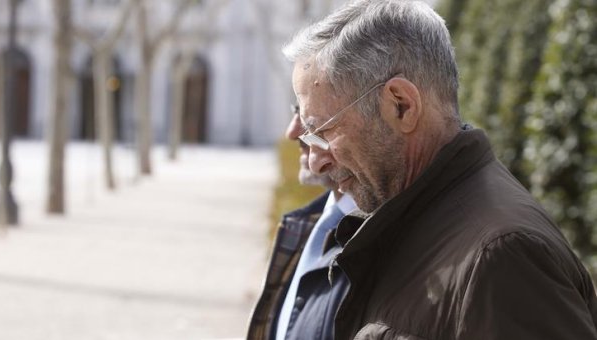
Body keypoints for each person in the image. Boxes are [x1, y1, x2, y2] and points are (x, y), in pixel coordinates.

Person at [282, 0, 597, 339]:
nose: (316, 160)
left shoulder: (502, 257)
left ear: (401, 105)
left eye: (322, 131)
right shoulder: (409, 220)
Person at [247, 104, 357, 340]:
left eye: (309, 117)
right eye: (294, 111)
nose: (292, 132)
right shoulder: (305, 224)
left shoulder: (385, 240)